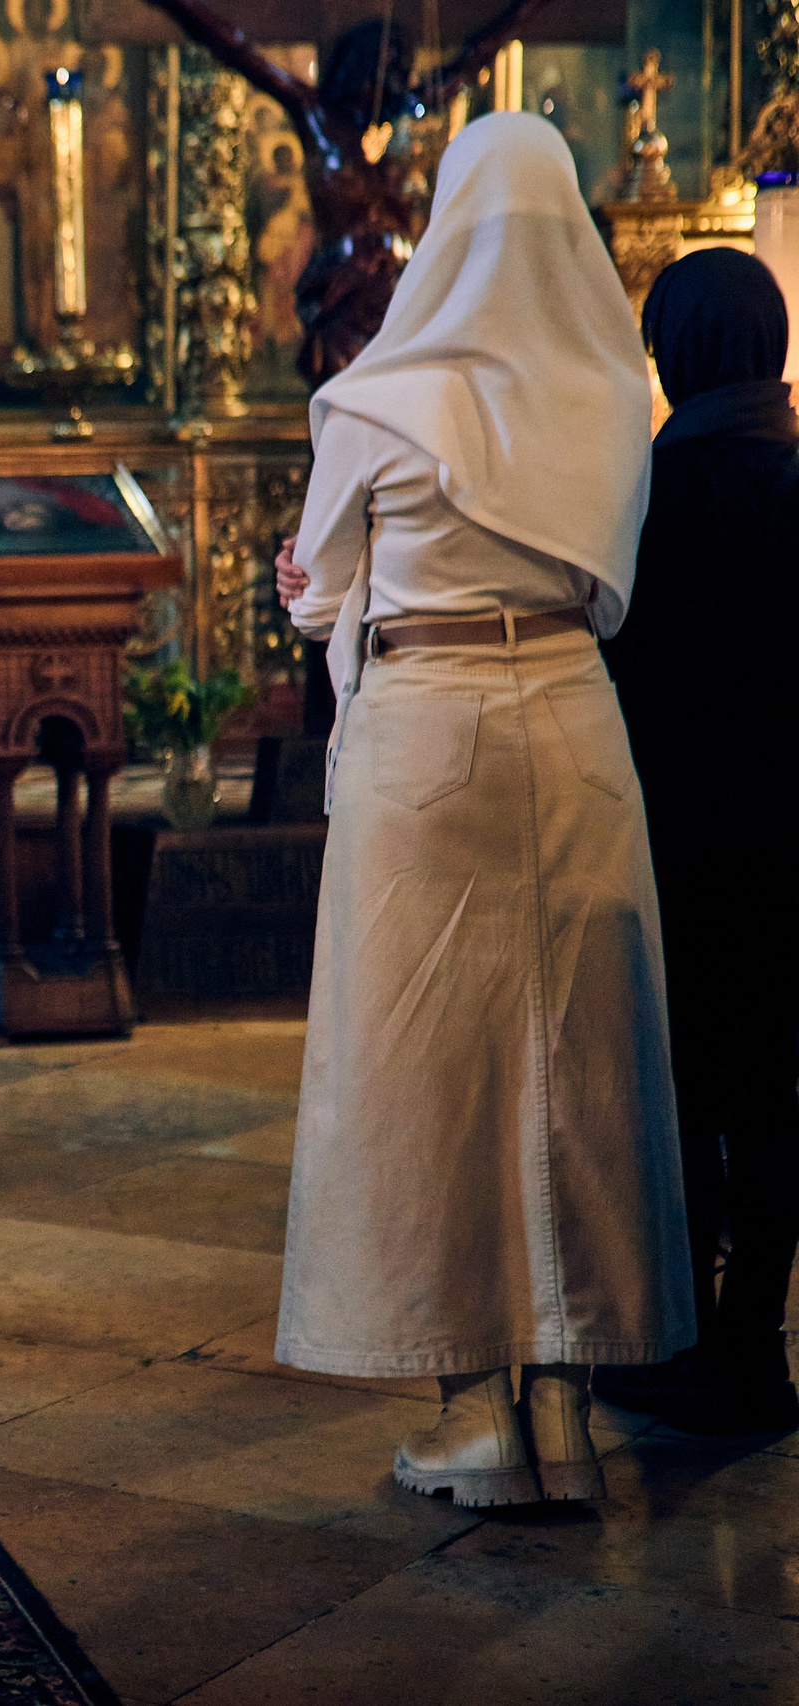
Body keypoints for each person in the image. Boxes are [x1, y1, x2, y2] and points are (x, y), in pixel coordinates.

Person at [270, 113, 694, 1508]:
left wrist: (312, 590)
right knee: (581, 1062)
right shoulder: (616, 395)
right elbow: (612, 578)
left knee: (427, 1074)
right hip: (575, 722)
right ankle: (566, 1413)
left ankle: (473, 1416)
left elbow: (323, 594)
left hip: (426, 724)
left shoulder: (379, 400)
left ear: (445, 226)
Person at [596, 248, 799, 1436]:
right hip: (787, 838)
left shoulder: (649, 496)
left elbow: (612, 654)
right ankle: (757, 1350)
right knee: (772, 1093)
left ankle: (685, 1343)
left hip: (677, 835)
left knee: (682, 1092)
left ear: (672, 350)